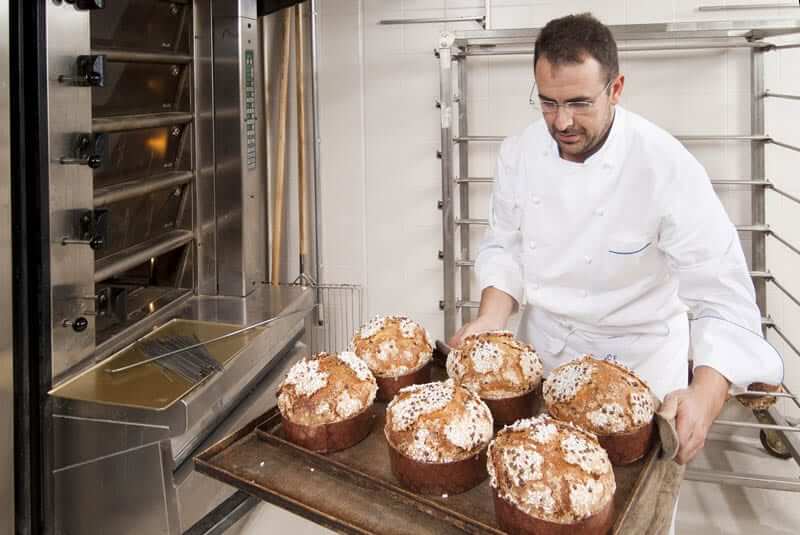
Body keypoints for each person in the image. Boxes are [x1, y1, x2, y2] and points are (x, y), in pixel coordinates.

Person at [449, 13, 783, 470]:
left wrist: (705, 396)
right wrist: (490, 318)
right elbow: (504, 247)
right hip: (546, 353)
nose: (562, 121)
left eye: (580, 103)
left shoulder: (666, 166)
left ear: (616, 89)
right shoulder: (520, 152)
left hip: (640, 362)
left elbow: (721, 296)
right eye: (547, 102)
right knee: (542, 486)